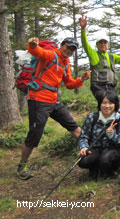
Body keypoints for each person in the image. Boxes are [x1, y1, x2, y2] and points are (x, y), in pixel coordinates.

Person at [17, 37, 91, 180]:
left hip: (54, 100)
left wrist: (81, 79)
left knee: (74, 126)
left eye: (73, 49)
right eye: (68, 47)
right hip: (38, 99)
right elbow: (38, 52)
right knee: (35, 134)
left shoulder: (66, 63)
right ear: (62, 45)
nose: (70, 51)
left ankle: (90, 153)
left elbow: (69, 83)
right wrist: (32, 45)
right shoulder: (51, 54)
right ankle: (22, 165)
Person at [79, 14, 120, 99]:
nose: (103, 44)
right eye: (100, 43)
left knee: (113, 104)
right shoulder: (93, 54)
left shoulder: (112, 56)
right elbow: (85, 43)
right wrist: (83, 29)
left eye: (105, 43)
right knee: (104, 102)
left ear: (108, 44)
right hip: (98, 87)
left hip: (110, 87)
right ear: (97, 45)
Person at [78, 91, 120, 179]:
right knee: (83, 161)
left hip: (112, 149)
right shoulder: (92, 117)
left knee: (105, 159)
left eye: (110, 103)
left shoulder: (119, 118)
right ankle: (94, 168)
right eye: (104, 103)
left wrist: (112, 135)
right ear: (100, 104)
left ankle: (107, 172)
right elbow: (83, 136)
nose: (107, 106)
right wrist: (84, 147)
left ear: (115, 104)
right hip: (95, 148)